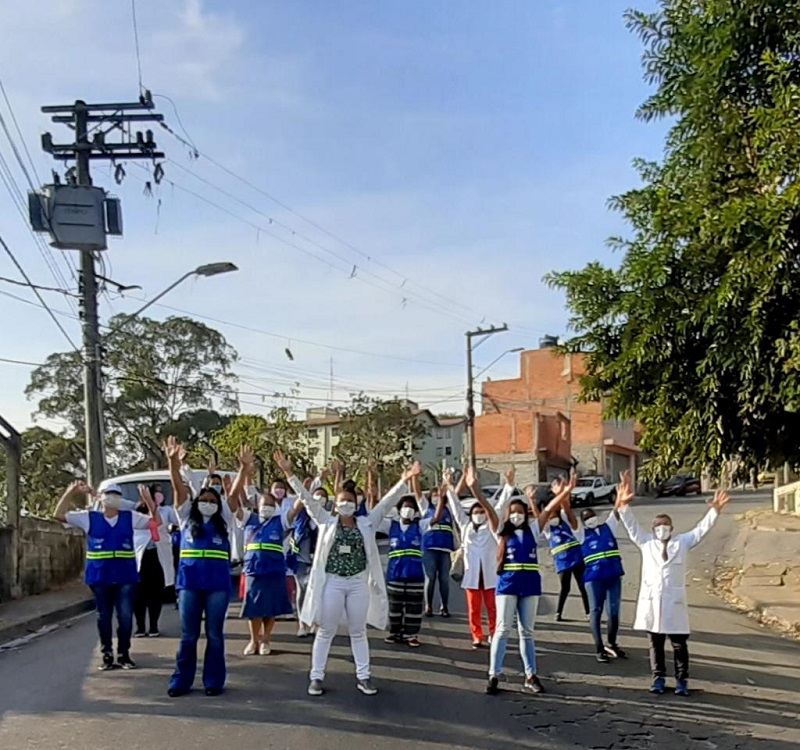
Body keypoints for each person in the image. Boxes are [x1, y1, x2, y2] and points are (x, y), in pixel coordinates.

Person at [275, 449, 420, 697]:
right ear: (335, 504)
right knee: (325, 630)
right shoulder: (325, 521)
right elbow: (307, 500)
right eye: (340, 501)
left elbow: (386, 503)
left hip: (357, 584)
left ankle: (364, 677)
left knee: (358, 630)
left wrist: (404, 480)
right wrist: (289, 473)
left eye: (349, 501)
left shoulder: (367, 522)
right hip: (332, 582)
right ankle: (316, 677)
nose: (345, 505)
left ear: (356, 504)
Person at [615, 471, 730, 696]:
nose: (661, 528)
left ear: (672, 528)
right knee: (655, 645)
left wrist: (714, 510)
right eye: (658, 525)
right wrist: (622, 503)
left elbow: (700, 530)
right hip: (652, 603)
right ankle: (657, 679)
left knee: (679, 645)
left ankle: (682, 681)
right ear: (653, 528)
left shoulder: (682, 542)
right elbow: (630, 525)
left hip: (674, 604)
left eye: (665, 525)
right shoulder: (646, 542)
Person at [164, 436, 244, 697]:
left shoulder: (224, 519)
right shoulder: (186, 517)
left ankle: (213, 681)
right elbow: (178, 489)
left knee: (215, 634)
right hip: (189, 584)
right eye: (204, 498)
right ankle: (181, 680)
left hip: (217, 585)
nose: (208, 502)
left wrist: (243, 470)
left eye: (212, 499)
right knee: (188, 635)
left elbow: (232, 497)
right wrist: (173, 464)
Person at [487, 470, 575, 695]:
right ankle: (493, 674)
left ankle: (530, 675)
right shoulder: (501, 532)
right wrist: (479, 492)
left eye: (520, 512)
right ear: (508, 515)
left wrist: (565, 492)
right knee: (503, 629)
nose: (517, 515)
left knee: (526, 632)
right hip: (507, 585)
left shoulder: (533, 530)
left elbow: (546, 510)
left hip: (530, 585)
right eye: (513, 512)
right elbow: (488, 510)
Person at [54, 481, 158, 671]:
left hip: (125, 575)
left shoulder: (130, 517)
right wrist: (70, 492)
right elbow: (59, 515)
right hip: (100, 575)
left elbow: (155, 523)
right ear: (100, 497)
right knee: (104, 616)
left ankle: (124, 654)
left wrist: (149, 503)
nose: (113, 498)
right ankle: (107, 654)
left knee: (125, 616)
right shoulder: (89, 518)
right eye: (109, 494)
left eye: (117, 495)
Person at [233, 446, 297, 655]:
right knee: (254, 609)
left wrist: (289, 473)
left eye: (271, 504)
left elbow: (299, 505)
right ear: (258, 506)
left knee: (271, 609)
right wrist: (243, 470)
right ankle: (254, 640)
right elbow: (233, 502)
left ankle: (266, 640)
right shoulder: (249, 520)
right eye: (264, 504)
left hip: (275, 571)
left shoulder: (281, 521)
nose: (267, 507)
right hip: (253, 571)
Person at [380, 484, 445, 647]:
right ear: (399, 509)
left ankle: (411, 634)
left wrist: (442, 500)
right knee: (395, 607)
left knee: (414, 607)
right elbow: (377, 513)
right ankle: (395, 632)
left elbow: (435, 519)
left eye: (410, 507)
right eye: (404, 507)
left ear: (415, 512)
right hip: (395, 574)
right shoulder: (391, 526)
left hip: (415, 573)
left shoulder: (420, 526)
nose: (407, 510)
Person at [447, 466, 501, 650]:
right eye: (475, 513)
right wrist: (449, 485)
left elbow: (500, 506)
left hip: (489, 574)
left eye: (481, 513)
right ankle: (477, 636)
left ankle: (494, 634)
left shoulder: (492, 527)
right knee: (473, 609)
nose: (479, 515)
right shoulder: (466, 526)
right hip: (472, 575)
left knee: (493, 608)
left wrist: (508, 486)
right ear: (471, 515)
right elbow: (455, 507)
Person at [574, 502, 626, 664]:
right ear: (583, 522)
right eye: (587, 518)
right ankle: (599, 647)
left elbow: (616, 512)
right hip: (594, 578)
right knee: (595, 611)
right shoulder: (582, 534)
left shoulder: (608, 527)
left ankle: (611, 642)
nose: (591, 520)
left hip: (613, 575)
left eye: (592, 516)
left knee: (614, 612)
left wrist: (621, 498)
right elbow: (570, 519)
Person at [539, 479, 590, 622]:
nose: (552, 517)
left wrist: (561, 493)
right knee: (565, 588)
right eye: (550, 517)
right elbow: (540, 517)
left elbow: (566, 509)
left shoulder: (566, 521)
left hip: (577, 558)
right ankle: (559, 613)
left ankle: (588, 612)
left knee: (582, 586)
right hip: (562, 562)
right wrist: (531, 500)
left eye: (554, 515)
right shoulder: (549, 530)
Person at [133, 483, 178, 637]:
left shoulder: (166, 511)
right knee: (139, 593)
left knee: (155, 593)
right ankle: (140, 626)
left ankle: (153, 626)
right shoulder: (136, 512)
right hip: (141, 554)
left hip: (158, 555)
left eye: (160, 493)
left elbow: (174, 519)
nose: (159, 495)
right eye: (155, 493)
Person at [417, 473, 456, 618]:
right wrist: (414, 477)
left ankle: (444, 606)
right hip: (429, 548)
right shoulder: (426, 508)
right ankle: (428, 606)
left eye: (438, 495)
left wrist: (448, 482)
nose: (436, 497)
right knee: (430, 577)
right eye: (434, 495)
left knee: (444, 579)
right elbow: (417, 492)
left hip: (445, 549)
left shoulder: (449, 509)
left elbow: (455, 495)